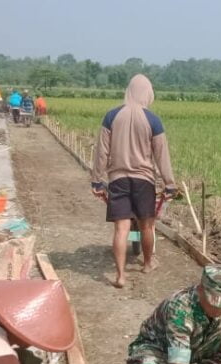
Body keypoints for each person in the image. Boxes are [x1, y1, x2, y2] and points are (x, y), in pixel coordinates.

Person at [90, 74, 177, 288]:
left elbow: (102, 152)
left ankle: (120, 276)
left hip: (118, 179)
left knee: (121, 229)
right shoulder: (153, 120)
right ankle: (147, 264)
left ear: (129, 91)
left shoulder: (111, 116)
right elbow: (161, 155)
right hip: (144, 180)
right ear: (147, 93)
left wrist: (97, 180)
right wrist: (169, 184)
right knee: (147, 226)